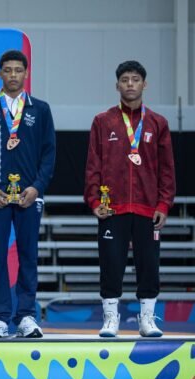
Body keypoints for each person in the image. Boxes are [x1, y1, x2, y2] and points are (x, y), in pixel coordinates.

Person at [84, 60, 175, 338]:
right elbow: (93, 164)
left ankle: (147, 319)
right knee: (111, 262)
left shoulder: (158, 123)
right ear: (117, 85)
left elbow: (167, 169)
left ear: (144, 84)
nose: (130, 84)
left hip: (148, 208)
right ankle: (111, 318)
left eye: (135, 79)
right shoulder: (103, 121)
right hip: (112, 208)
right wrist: (94, 201)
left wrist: (163, 204)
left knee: (149, 264)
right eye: (125, 80)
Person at [0, 50, 56, 338]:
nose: (13, 75)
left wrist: (37, 187)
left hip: (29, 195)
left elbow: (49, 153)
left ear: (26, 73)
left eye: (18, 70)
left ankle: (27, 316)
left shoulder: (40, 109)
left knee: (28, 256)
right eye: (7, 70)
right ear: (0, 74)